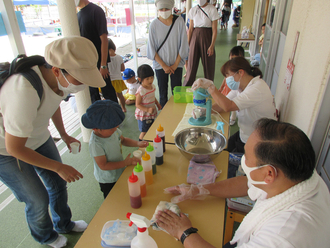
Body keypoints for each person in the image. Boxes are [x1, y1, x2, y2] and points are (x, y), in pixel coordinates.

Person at [156, 118, 330, 247]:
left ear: (269, 173)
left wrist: (184, 232)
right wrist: (198, 190)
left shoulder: (284, 235)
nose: (242, 161)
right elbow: (249, 183)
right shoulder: (297, 173)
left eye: (247, 156)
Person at [0, 36, 104, 247]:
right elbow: (14, 147)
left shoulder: (55, 80)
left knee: (57, 183)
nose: (83, 85)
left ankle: (63, 223)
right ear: (57, 70)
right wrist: (58, 166)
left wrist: (64, 134)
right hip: (6, 149)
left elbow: (53, 102)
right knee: (37, 199)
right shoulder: (23, 90)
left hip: (38, 137)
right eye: (80, 78)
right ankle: (45, 236)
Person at [193, 57, 276, 154]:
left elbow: (228, 106)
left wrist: (211, 87)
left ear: (240, 72)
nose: (227, 80)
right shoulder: (240, 87)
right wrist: (203, 111)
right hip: (245, 133)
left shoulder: (256, 88)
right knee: (223, 148)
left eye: (228, 76)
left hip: (258, 142)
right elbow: (221, 105)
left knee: (225, 157)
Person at [81, 100, 148, 199]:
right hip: (108, 179)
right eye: (112, 128)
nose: (115, 129)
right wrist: (125, 163)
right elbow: (103, 165)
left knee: (122, 194)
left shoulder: (113, 131)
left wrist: (137, 143)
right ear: (95, 128)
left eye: (116, 126)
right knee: (112, 198)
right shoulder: (96, 144)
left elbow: (123, 140)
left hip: (119, 170)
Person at [147, 0, 189, 107]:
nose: (164, 11)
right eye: (161, 9)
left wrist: (175, 64)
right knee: (162, 93)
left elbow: (183, 45)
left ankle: (177, 114)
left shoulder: (179, 21)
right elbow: (152, 49)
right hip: (160, 65)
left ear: (171, 8)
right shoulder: (153, 25)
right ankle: (163, 116)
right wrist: (164, 65)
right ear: (157, 9)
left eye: (166, 9)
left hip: (177, 64)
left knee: (177, 92)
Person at [76, 0, 118, 104]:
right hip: (85, 61)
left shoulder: (96, 11)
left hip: (99, 61)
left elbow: (104, 39)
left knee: (107, 90)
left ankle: (116, 116)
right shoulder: (77, 15)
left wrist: (103, 65)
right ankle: (98, 117)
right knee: (92, 93)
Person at [183, 0, 220, 86]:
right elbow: (191, 28)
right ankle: (188, 87)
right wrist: (188, 44)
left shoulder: (212, 9)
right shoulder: (193, 10)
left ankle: (209, 88)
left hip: (207, 36)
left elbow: (214, 30)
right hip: (195, 36)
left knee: (208, 65)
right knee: (191, 65)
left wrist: (212, 45)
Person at [135, 64, 162, 141]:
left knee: (151, 128)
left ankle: (149, 141)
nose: (150, 80)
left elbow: (153, 97)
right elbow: (137, 104)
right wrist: (147, 110)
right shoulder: (141, 91)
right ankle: (140, 143)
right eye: (147, 79)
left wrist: (157, 104)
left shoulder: (152, 86)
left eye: (151, 77)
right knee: (144, 132)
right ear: (140, 79)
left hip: (151, 113)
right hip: (144, 115)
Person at [107, 38, 127, 112]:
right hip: (118, 79)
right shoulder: (119, 57)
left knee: (111, 96)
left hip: (110, 80)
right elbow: (122, 69)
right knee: (120, 94)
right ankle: (123, 108)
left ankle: (114, 110)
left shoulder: (105, 58)